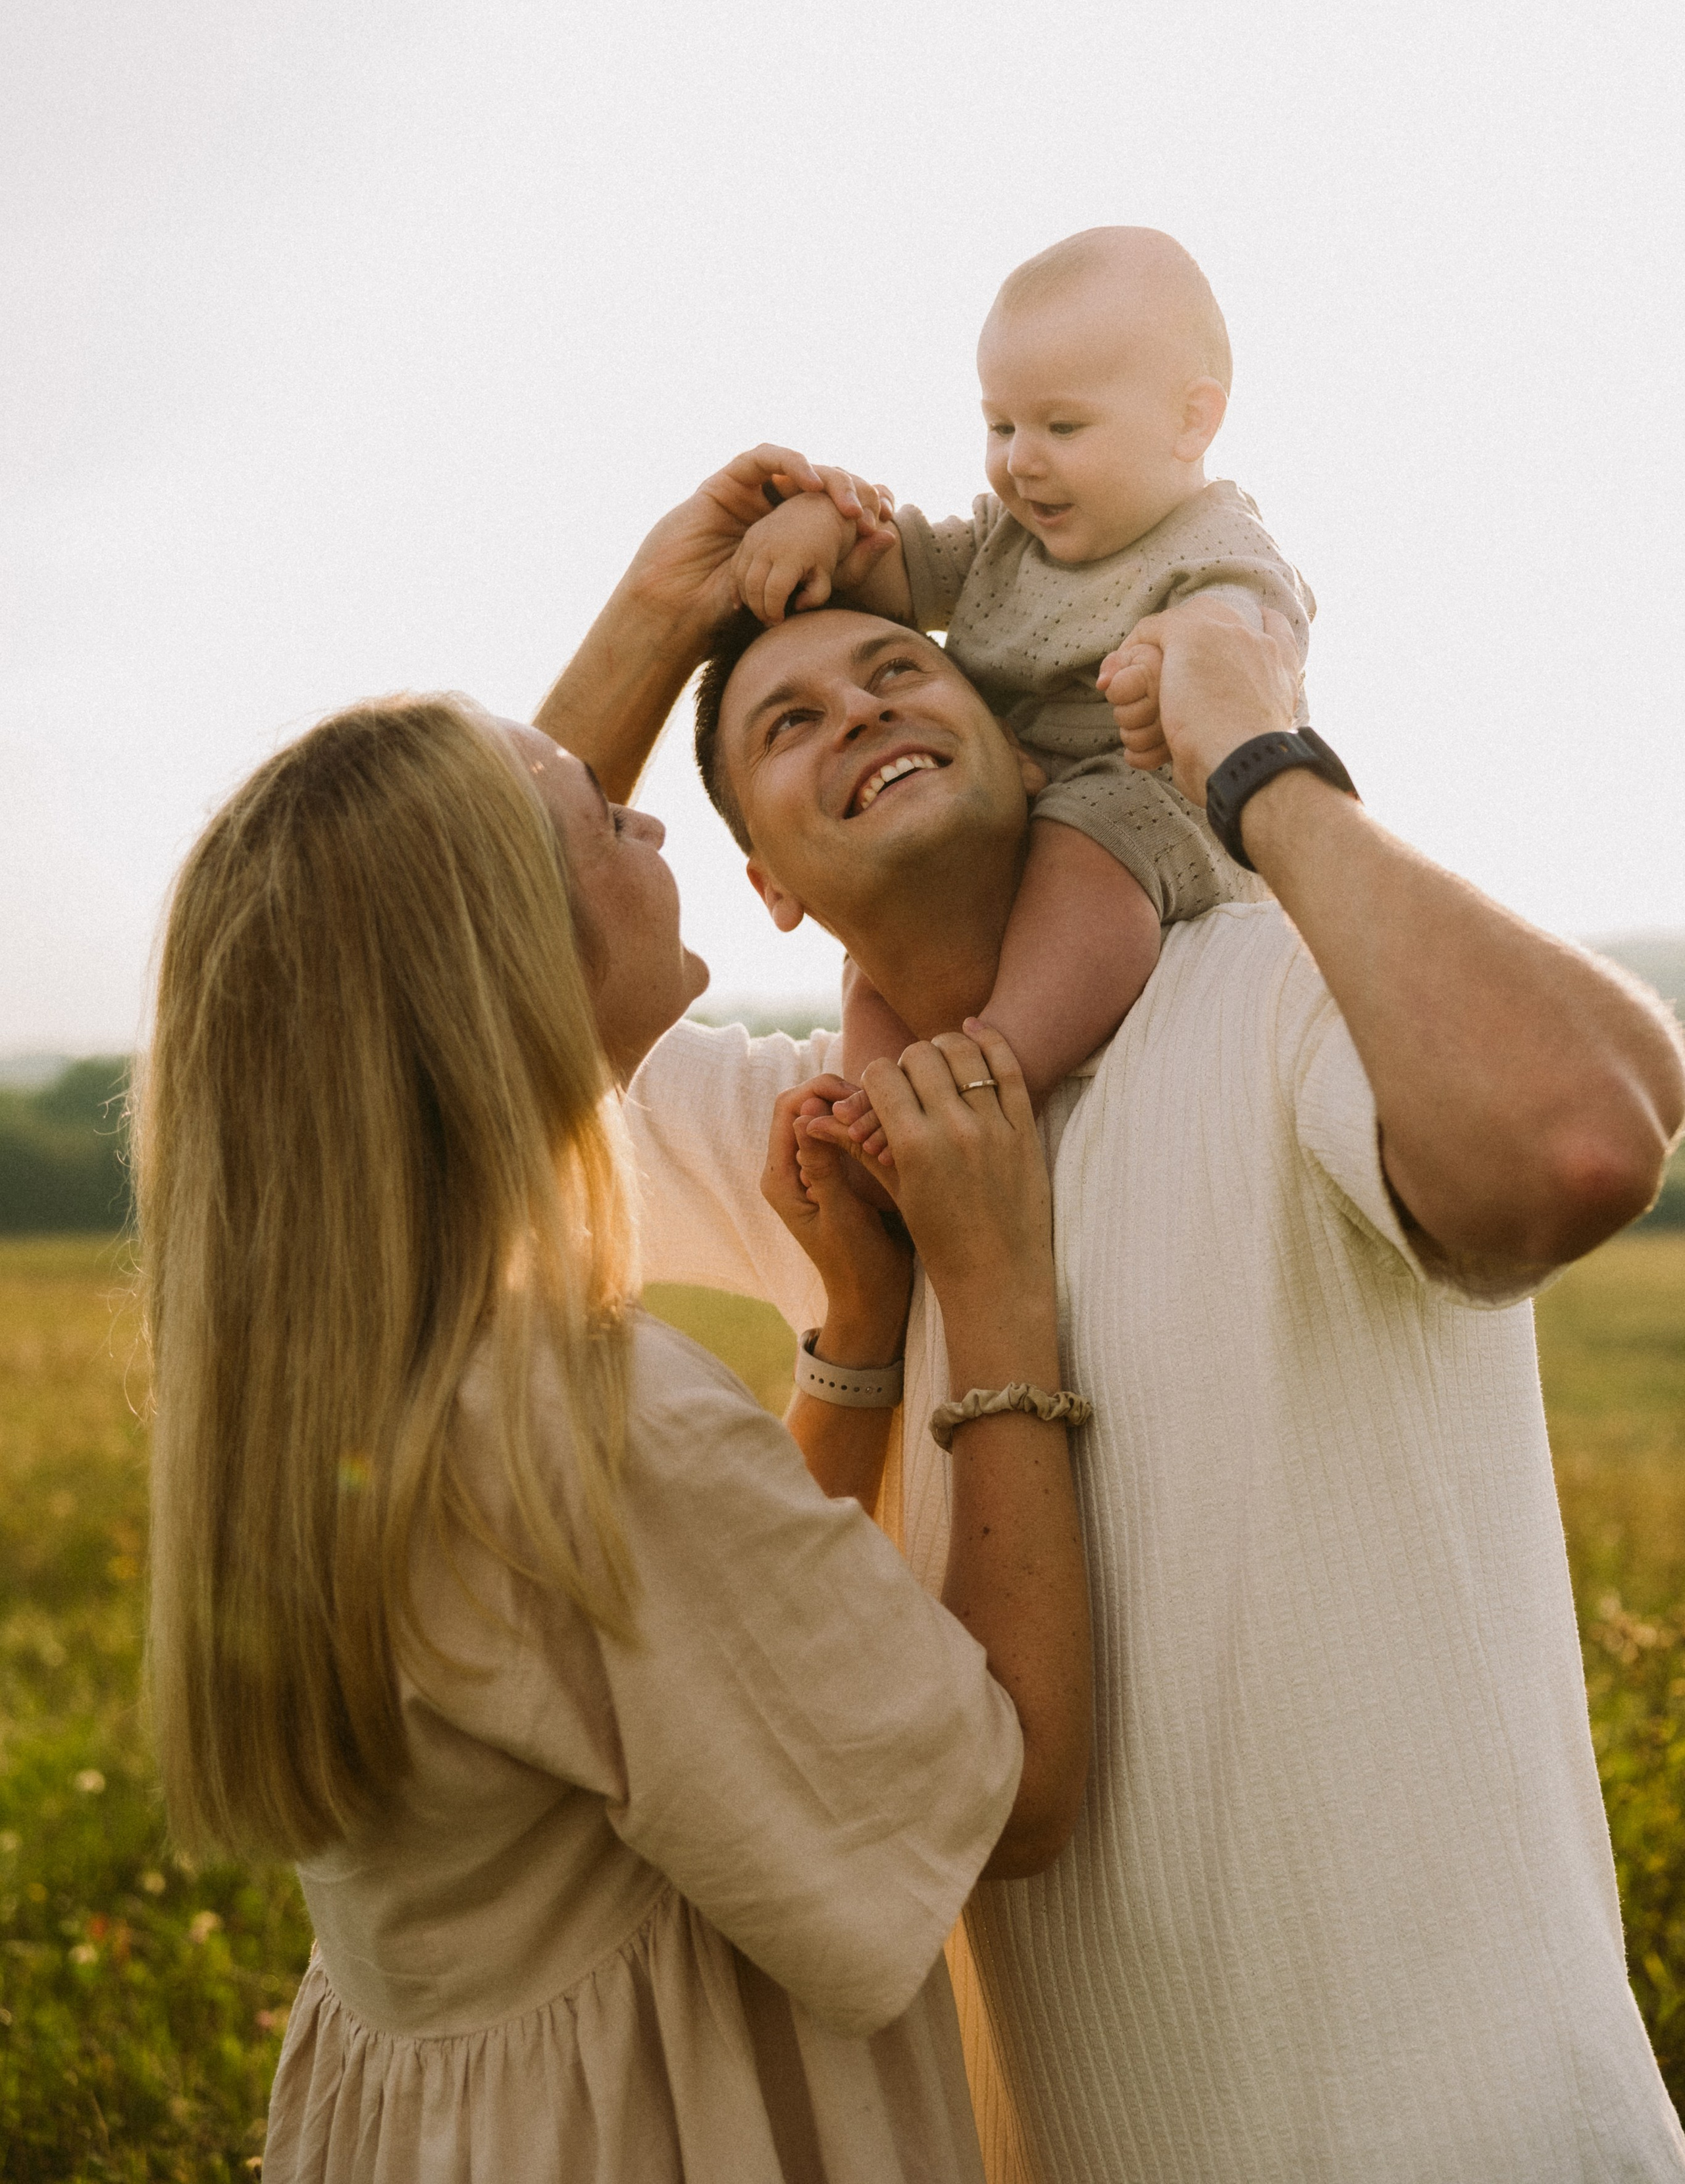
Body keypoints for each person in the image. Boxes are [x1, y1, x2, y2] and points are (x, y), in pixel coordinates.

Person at [535, 444, 1685, 2184]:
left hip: (1489, 2140)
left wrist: (1254, 759)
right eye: (788, 723)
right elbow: (416, 1002)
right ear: (761, 880)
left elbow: (1579, 1140)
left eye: (899, 669)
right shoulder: (828, 1154)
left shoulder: (1280, 996)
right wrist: (656, 611)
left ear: (1023, 742)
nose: (860, 710)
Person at [138, 690, 1095, 2184]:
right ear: (508, 962)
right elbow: (1010, 1800)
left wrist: (855, 1335)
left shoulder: (361, 1376)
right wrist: (993, 1288)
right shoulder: (596, 1427)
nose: (650, 822)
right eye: (601, 817)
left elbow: (684, 1661)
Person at [727, 228, 1314, 1110]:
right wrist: (821, 527)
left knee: (1088, 844)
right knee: (883, 946)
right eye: (1000, 426)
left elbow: (1240, 648)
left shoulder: (1218, 550)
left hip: (1155, 809)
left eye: (1062, 427)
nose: (1020, 460)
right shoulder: (1012, 537)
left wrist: (1174, 664)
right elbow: (895, 569)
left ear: (1191, 421)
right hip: (1019, 807)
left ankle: (992, 1071)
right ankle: (875, 1101)